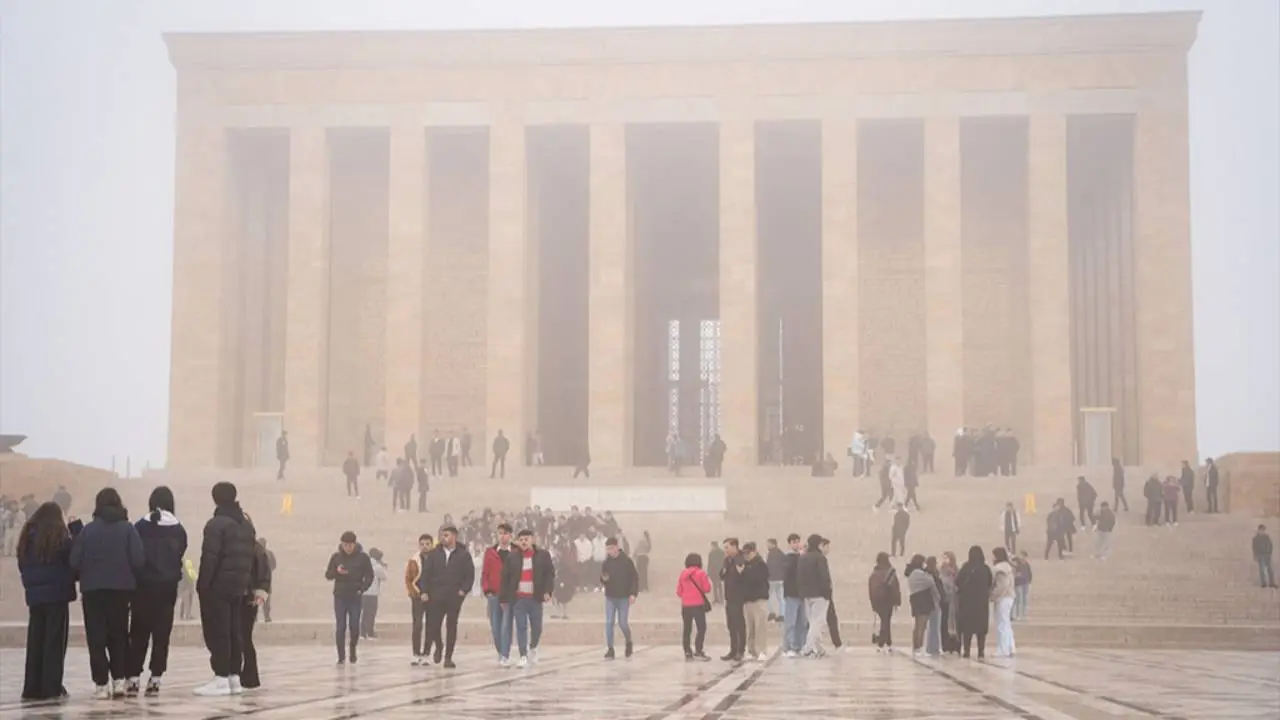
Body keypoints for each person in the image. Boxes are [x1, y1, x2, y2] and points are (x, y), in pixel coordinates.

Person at [71, 487, 145, 699]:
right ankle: (119, 681)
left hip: (93, 590)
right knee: (119, 636)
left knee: (96, 638)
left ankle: (101, 684)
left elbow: (74, 560)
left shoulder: (88, 531)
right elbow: (138, 560)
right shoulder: (128, 529)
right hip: (121, 590)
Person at [126, 486, 188, 697]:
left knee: (138, 633)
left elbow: (133, 553)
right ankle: (156, 678)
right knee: (161, 635)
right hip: (167, 588)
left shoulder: (140, 526)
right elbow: (180, 551)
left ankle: (133, 677)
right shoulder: (178, 528)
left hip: (142, 587)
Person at [18, 502, 83, 701]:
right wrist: (77, 529)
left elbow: (22, 564)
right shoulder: (60, 538)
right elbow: (77, 557)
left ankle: (31, 687)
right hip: (57, 595)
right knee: (54, 642)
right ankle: (51, 687)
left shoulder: (27, 537)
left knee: (36, 641)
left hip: (35, 597)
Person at [500, 529, 555, 666]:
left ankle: (533, 647)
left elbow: (550, 575)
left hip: (535, 598)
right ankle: (523, 655)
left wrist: (548, 591)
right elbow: (505, 578)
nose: (524, 542)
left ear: (533, 540)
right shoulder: (512, 557)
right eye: (521, 540)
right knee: (521, 627)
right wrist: (503, 598)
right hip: (519, 599)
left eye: (526, 539)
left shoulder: (543, 555)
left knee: (537, 627)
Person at [423, 525, 475, 668]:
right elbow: (426, 574)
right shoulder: (434, 554)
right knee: (434, 625)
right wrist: (425, 591)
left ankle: (448, 657)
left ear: (454, 536)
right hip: (436, 595)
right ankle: (439, 646)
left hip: (454, 596)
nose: (443, 538)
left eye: (446, 535)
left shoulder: (463, 554)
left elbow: (469, 575)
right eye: (442, 535)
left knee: (451, 625)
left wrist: (463, 590)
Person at [325, 531, 375, 665]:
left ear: (354, 544)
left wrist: (362, 588)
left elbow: (369, 576)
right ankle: (341, 655)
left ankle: (353, 649)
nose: (347, 548)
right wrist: (337, 572)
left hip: (355, 596)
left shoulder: (363, 558)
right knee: (340, 626)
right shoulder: (336, 557)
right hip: (340, 596)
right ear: (341, 544)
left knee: (354, 625)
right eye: (345, 545)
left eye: (350, 545)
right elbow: (328, 575)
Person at [237, 536, 272, 692]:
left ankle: (250, 676)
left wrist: (261, 592)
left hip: (248, 597)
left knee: (244, 636)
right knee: (235, 636)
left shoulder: (257, 548)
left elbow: (265, 571)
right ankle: (235, 674)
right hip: (234, 594)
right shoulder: (232, 543)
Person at [481, 524, 515, 664]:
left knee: (506, 625)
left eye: (505, 533)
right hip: (494, 594)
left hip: (509, 595)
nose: (503, 536)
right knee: (495, 626)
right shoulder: (490, 552)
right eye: (500, 533)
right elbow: (485, 573)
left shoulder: (516, 552)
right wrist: (486, 590)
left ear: (510, 535)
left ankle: (505, 655)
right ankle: (500, 651)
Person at [600, 537, 638, 659]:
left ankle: (628, 641)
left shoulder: (627, 561)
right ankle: (610, 649)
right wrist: (603, 579)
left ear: (616, 547)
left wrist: (633, 593)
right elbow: (603, 576)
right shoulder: (606, 562)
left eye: (611, 548)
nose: (609, 551)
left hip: (623, 597)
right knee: (609, 622)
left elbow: (634, 578)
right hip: (610, 596)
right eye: (607, 549)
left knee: (623, 623)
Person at [404, 533, 438, 665]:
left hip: (433, 597)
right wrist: (417, 594)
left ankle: (426, 653)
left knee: (431, 626)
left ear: (431, 544)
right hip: (417, 597)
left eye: (427, 544)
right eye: (422, 544)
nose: (425, 547)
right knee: (417, 625)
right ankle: (416, 653)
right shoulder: (414, 560)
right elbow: (408, 579)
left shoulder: (437, 559)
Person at [797, 534, 832, 658]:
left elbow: (799, 577)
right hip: (819, 595)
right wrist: (827, 593)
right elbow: (824, 577)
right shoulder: (820, 558)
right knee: (817, 622)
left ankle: (818, 648)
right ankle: (807, 648)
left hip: (806, 595)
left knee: (813, 622)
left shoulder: (802, 558)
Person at [955, 545, 992, 660]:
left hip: (967, 602)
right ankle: (981, 651)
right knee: (981, 630)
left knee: (967, 629)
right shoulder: (985, 568)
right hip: (981, 603)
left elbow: (958, 581)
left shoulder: (966, 567)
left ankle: (966, 651)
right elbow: (989, 583)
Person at [677, 553, 713, 661]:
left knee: (687, 629)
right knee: (701, 628)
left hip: (686, 606)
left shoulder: (682, 574)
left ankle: (687, 651)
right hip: (698, 605)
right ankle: (698, 650)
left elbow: (679, 592)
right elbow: (707, 589)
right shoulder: (701, 573)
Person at [739, 541, 770, 661]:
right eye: (745, 554)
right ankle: (751, 650)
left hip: (759, 599)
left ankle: (762, 650)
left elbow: (757, 578)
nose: (746, 556)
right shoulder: (745, 565)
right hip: (748, 600)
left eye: (748, 553)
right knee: (751, 627)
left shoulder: (760, 564)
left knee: (760, 626)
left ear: (754, 552)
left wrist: (744, 573)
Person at [718, 538, 746, 661]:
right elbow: (722, 575)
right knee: (731, 625)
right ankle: (733, 650)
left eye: (727, 547)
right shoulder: (727, 560)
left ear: (734, 547)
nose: (725, 550)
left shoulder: (740, 558)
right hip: (729, 596)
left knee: (739, 624)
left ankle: (740, 650)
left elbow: (742, 576)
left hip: (738, 596)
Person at [867, 551, 901, 653]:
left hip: (877, 601)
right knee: (885, 622)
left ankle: (888, 643)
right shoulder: (890, 571)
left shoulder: (874, 573)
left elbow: (870, 589)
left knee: (885, 621)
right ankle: (882, 643)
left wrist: (873, 603)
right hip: (887, 600)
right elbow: (895, 587)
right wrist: (897, 602)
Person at [904, 554, 936, 657]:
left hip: (915, 599)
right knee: (921, 626)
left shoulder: (911, 573)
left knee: (918, 625)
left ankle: (916, 647)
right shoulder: (918, 573)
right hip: (922, 600)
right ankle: (919, 647)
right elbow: (930, 582)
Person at [781, 533, 807, 657]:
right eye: (794, 542)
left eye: (798, 541)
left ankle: (800, 646)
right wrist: (800, 558)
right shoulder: (788, 557)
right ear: (790, 544)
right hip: (792, 593)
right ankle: (789, 647)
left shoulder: (803, 557)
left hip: (802, 594)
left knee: (802, 622)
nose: (796, 544)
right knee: (790, 622)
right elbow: (790, 572)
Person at [990, 547, 1017, 658]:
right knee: (1006, 624)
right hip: (1009, 597)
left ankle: (1003, 649)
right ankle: (1011, 647)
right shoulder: (1008, 567)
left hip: (1003, 598)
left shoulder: (1000, 569)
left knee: (1002, 624)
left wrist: (993, 596)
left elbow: (1002, 586)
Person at [360, 548, 388, 640]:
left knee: (364, 613)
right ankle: (370, 632)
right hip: (372, 593)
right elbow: (384, 577)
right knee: (371, 613)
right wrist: (383, 567)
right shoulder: (377, 567)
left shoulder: (363, 564)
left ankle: (362, 632)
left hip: (363, 592)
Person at [938, 552, 960, 654]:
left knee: (953, 621)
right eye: (944, 558)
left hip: (953, 598)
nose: (945, 560)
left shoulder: (955, 570)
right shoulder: (941, 570)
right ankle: (946, 644)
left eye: (947, 558)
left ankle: (955, 644)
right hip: (944, 599)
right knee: (945, 622)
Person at [765, 538, 785, 621]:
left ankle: (771, 613)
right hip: (780, 579)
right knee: (781, 598)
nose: (767, 546)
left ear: (773, 544)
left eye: (768, 544)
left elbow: (768, 566)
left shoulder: (771, 554)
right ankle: (782, 614)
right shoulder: (781, 553)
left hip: (772, 579)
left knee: (768, 596)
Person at [1013, 551, 1032, 619]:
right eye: (1022, 556)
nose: (1023, 557)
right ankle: (1018, 614)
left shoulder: (1026, 564)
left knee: (1024, 599)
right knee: (1018, 599)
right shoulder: (1017, 563)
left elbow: (1029, 573)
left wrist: (1029, 581)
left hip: (1025, 583)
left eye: (1024, 556)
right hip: (1019, 583)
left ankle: (1024, 614)